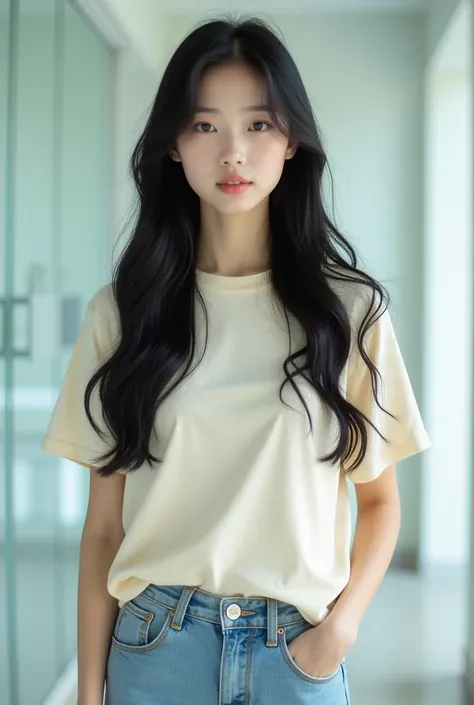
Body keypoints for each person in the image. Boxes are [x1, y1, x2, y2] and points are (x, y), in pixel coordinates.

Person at [42, 15, 431, 705]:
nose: (232, 153)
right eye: (204, 126)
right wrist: (88, 692)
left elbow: (380, 503)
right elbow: (104, 527)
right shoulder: (123, 314)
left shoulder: (349, 311)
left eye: (257, 125)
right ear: (172, 146)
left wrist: (338, 630)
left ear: (290, 142)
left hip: (296, 652)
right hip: (155, 649)